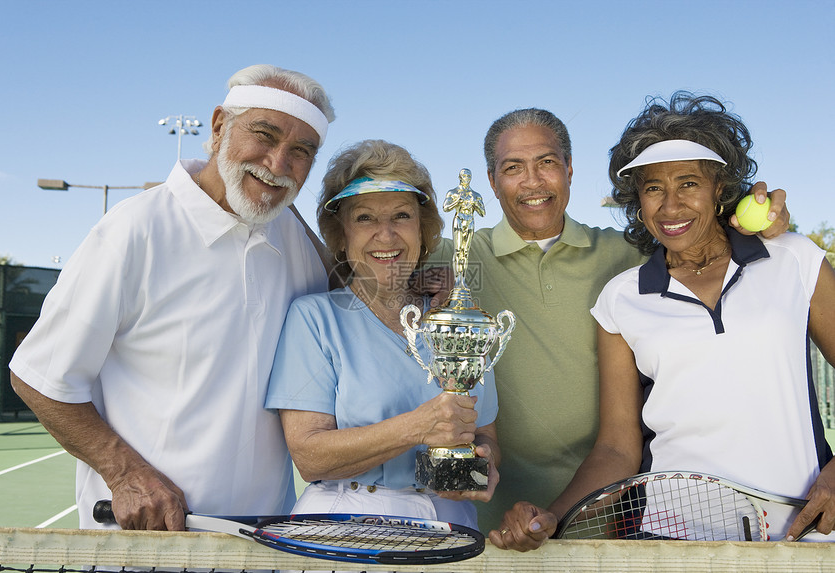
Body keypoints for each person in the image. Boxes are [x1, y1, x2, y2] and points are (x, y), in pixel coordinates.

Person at [490, 92, 835, 548]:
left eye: (689, 183)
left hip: (802, 532)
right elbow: (617, 448)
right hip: (673, 539)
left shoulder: (794, 259)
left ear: (720, 189)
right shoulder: (621, 297)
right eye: (653, 188)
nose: (670, 205)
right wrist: (551, 518)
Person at [425, 106, 791, 532]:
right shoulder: (453, 257)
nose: (532, 181)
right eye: (513, 168)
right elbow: (368, 270)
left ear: (569, 169)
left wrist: (760, 219)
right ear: (492, 181)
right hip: (490, 506)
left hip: (611, 507)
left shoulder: (628, 256)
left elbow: (699, 236)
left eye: (546, 163)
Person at [8, 64, 335, 530]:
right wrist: (126, 473)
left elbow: (357, 303)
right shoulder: (134, 229)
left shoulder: (296, 243)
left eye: (302, 151)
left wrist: (423, 284)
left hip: (263, 544)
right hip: (143, 546)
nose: (278, 163)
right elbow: (39, 376)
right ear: (219, 125)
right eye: (264, 135)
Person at [265, 140, 499, 530]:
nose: (386, 235)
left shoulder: (457, 322)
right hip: (344, 522)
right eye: (365, 218)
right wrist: (417, 426)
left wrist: (483, 466)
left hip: (452, 524)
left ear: (424, 232)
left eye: (402, 216)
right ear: (340, 235)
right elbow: (309, 455)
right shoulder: (315, 318)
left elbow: (486, 436)